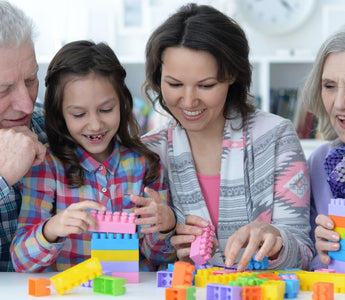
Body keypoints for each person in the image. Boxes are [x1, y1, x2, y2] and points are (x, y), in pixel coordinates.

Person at [142, 3, 314, 271]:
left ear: (232, 75)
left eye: (206, 85)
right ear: (158, 77)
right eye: (174, 84)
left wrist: (276, 240)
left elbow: (303, 250)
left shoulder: (276, 136)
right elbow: (146, 260)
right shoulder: (149, 152)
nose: (188, 101)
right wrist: (167, 237)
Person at [10, 40, 176, 272]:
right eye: (78, 114)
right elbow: (20, 261)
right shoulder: (45, 167)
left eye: (106, 110)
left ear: (123, 104)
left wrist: (166, 226)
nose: (95, 124)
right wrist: (52, 228)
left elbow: (159, 257)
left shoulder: (146, 165)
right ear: (60, 114)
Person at [0, 1, 47, 271]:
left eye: (31, 80)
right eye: (3, 91)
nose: (27, 105)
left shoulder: (52, 127)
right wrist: (3, 178)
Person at [302, 31, 345, 271]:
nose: (339, 103)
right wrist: (321, 255)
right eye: (329, 86)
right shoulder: (321, 162)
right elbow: (306, 260)